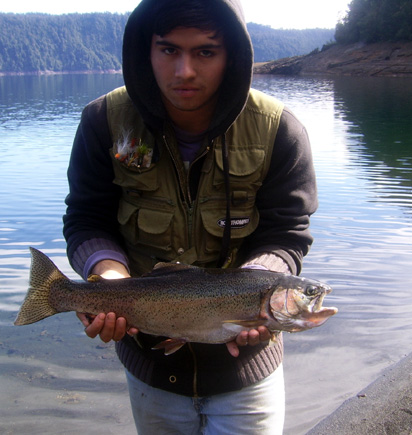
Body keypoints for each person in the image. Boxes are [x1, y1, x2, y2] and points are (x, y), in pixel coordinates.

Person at [62, 0, 318, 433]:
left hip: (248, 372)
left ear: (231, 55)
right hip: (148, 366)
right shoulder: (102, 122)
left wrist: (258, 285)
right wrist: (105, 276)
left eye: (205, 52)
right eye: (168, 51)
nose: (184, 71)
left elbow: (287, 233)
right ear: (146, 51)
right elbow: (87, 219)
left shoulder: (280, 129)